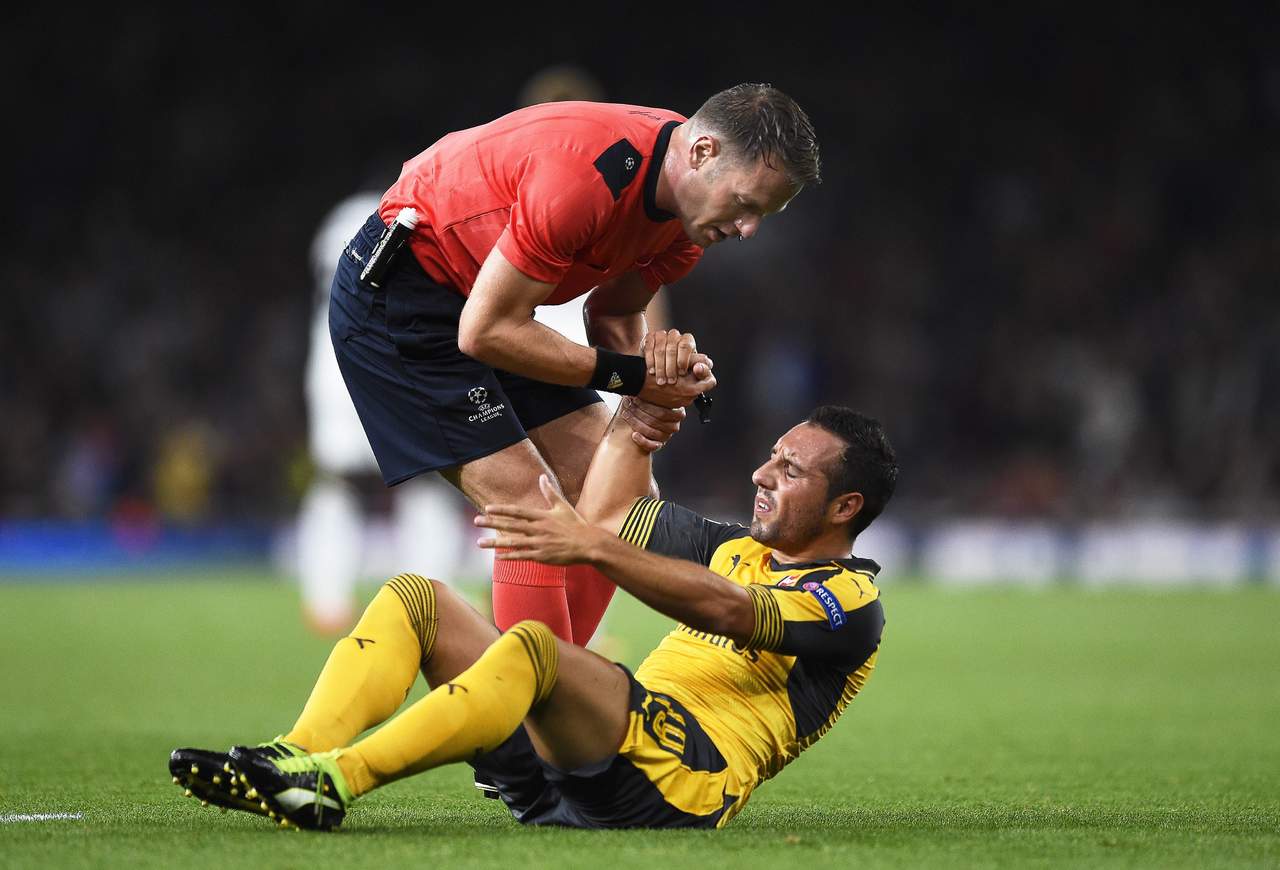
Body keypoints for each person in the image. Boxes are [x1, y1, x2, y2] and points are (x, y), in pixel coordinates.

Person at [168, 396, 898, 830]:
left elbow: (734, 612)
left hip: (681, 781)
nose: (762, 474)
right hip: (589, 753)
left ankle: (334, 782)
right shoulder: (734, 546)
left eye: (789, 471)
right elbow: (613, 513)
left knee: (533, 650)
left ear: (845, 507)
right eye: (772, 457)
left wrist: (591, 546)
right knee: (417, 599)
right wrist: (642, 410)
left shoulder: (851, 602)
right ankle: (291, 757)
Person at [328, 83, 821, 645]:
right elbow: (485, 332)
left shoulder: (687, 221)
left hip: (489, 303)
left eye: (763, 215)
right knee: (529, 504)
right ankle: (532, 695)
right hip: (402, 297)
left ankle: (557, 683)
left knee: (620, 497)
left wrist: (651, 394)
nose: (748, 229)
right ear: (702, 152)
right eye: (745, 204)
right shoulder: (584, 178)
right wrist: (634, 378)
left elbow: (614, 313)